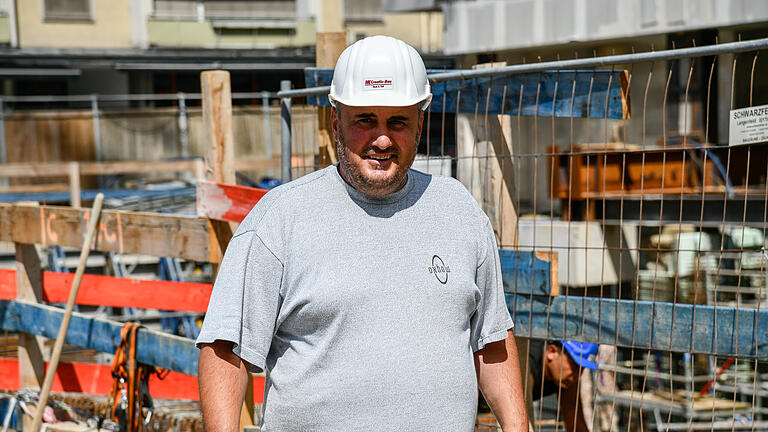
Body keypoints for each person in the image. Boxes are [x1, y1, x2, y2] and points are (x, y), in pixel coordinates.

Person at [196, 35, 528, 432]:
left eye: (398, 122)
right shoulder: (282, 219)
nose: (382, 139)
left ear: (420, 123)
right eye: (365, 120)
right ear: (336, 122)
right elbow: (224, 350)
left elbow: (492, 342)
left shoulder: (457, 210)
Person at [526, 340, 598, 432]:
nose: (577, 375)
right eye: (574, 365)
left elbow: (576, 425)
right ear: (552, 352)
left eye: (582, 369)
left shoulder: (567, 377)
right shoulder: (528, 362)